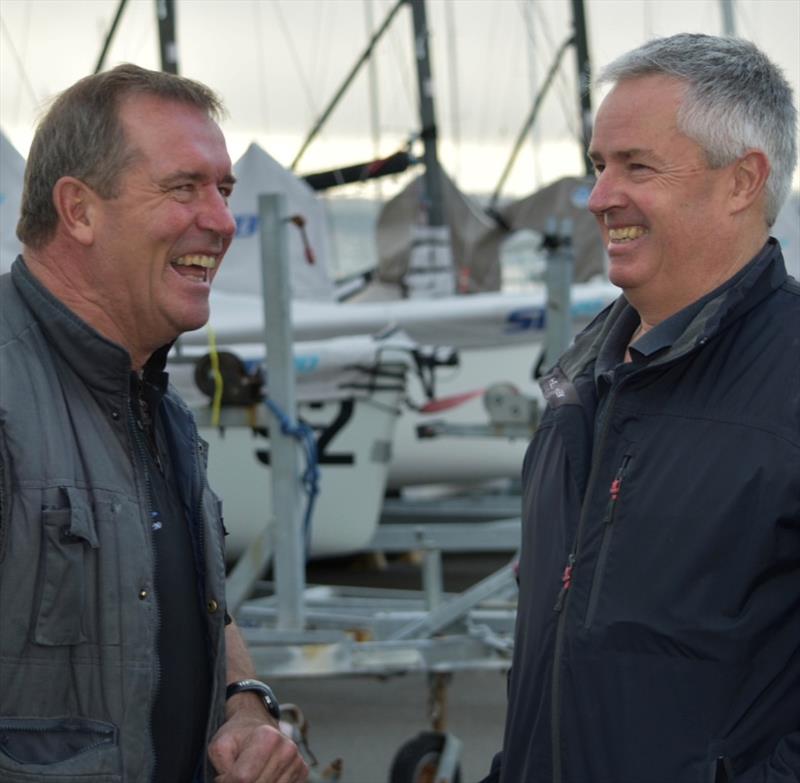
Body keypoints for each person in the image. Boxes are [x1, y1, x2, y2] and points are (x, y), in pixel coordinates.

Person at [483, 33, 799, 783]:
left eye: (637, 167)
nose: (598, 197)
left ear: (742, 181)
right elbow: (547, 665)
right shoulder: (578, 389)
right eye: (599, 165)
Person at [0, 64, 308, 783]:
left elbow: (187, 603)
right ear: (77, 210)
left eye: (224, 190)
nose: (223, 220)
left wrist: (247, 707)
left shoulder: (154, 403)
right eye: (183, 187)